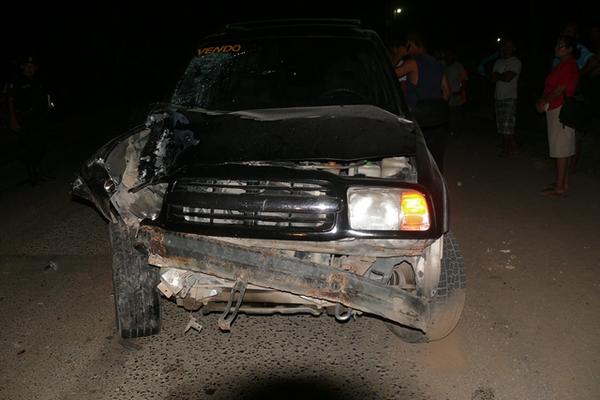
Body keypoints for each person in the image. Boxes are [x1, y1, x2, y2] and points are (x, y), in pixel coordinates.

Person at [394, 33, 450, 172]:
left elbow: (388, 74)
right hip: (438, 112)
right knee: (435, 155)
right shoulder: (437, 64)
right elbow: (447, 92)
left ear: (412, 45)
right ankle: (435, 184)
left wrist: (399, 56)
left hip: (418, 112)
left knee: (415, 153)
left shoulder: (413, 63)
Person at [536, 35, 580, 197]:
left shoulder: (568, 65)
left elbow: (560, 88)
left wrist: (543, 101)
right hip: (560, 107)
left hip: (560, 108)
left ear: (570, 49)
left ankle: (560, 186)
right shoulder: (564, 65)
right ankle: (562, 183)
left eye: (561, 46)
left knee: (561, 148)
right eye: (557, 45)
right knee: (565, 148)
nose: (557, 48)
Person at [7, 55, 53, 186]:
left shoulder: (37, 81)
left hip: (39, 119)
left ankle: (39, 172)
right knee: (31, 146)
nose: (30, 69)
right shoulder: (16, 81)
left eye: (32, 67)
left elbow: (45, 98)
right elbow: (10, 100)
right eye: (27, 66)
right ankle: (33, 175)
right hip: (25, 120)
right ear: (22, 67)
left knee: (42, 145)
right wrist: (13, 119)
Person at [491, 38, 521, 157]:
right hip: (498, 96)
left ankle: (507, 150)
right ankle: (511, 146)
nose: (507, 48)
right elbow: (493, 79)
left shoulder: (516, 62)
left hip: (510, 97)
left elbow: (508, 78)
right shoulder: (498, 62)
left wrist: (499, 75)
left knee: (508, 125)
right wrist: (501, 75)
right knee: (501, 124)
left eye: (510, 46)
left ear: (514, 49)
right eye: (505, 46)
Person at [445, 49, 468, 136]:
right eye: (447, 55)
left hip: (457, 94)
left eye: (450, 55)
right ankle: (452, 131)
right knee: (450, 114)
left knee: (456, 113)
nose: (448, 57)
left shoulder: (458, 66)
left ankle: (456, 131)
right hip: (448, 94)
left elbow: (464, 80)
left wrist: (460, 92)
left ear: (453, 56)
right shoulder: (445, 67)